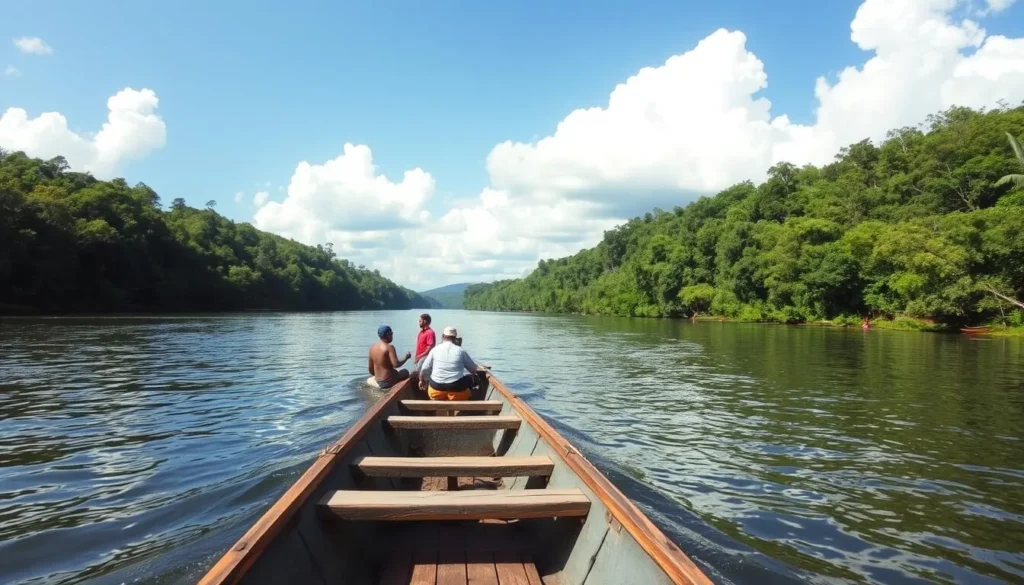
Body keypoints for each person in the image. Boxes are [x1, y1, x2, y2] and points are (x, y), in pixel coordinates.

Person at [419, 326, 486, 400]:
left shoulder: (434, 350)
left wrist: (421, 380)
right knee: (474, 378)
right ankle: (476, 400)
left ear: (442, 336)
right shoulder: (461, 351)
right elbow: (473, 370)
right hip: (456, 389)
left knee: (431, 379)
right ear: (455, 338)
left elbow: (424, 368)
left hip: (436, 390)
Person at [368, 325, 410, 389]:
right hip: (388, 382)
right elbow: (396, 364)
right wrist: (406, 357)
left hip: (378, 381)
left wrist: (378, 377)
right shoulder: (389, 347)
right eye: (391, 334)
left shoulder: (372, 348)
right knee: (405, 371)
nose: (392, 336)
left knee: (369, 380)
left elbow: (371, 370)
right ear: (388, 334)